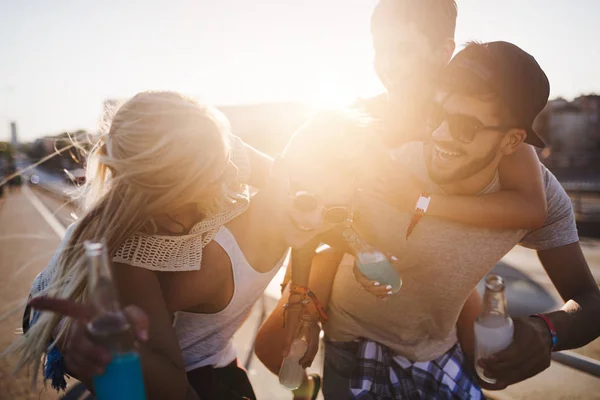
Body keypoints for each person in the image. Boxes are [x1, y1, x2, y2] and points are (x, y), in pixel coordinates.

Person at [11, 92, 386, 399]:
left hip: (221, 365)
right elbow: (174, 391)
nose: (220, 192)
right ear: (147, 198)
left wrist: (312, 282)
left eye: (218, 174)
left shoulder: (233, 159)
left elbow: (312, 197)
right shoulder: (138, 256)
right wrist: (123, 353)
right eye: (187, 197)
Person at [281, 41, 600, 399]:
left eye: (466, 126)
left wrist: (547, 331)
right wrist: (304, 302)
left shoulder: (543, 198)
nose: (440, 134)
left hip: (438, 350)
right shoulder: (384, 165)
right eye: (436, 114)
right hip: (352, 344)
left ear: (512, 141)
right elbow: (307, 224)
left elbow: (590, 300)